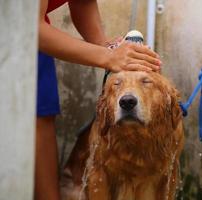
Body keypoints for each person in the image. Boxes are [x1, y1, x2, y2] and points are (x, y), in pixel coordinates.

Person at [36, 0, 161, 199]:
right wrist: (108, 57)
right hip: (17, 30)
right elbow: (31, 26)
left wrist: (106, 45)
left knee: (41, 115)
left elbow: (82, 2)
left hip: (34, 41)